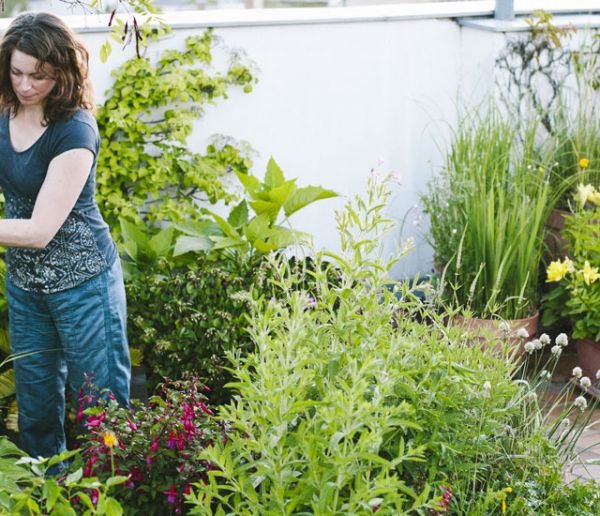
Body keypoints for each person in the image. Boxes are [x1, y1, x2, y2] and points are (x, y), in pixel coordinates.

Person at [0, 12, 130, 463]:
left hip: (84, 286)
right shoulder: (4, 113)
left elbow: (38, 231)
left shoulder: (74, 129)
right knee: (35, 412)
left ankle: (110, 497)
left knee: (102, 410)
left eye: (39, 75)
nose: (25, 84)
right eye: (16, 72)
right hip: (26, 287)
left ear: (62, 72)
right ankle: (42, 494)